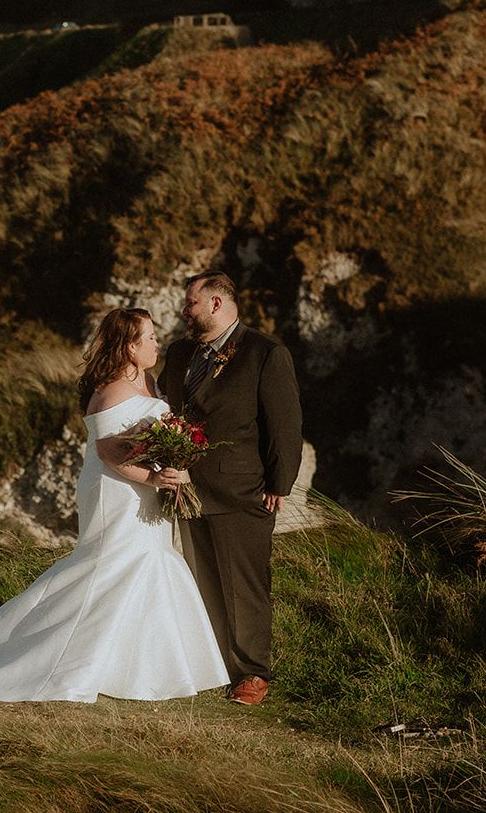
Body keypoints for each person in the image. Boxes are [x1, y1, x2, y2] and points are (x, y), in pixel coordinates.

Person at [0, 307, 229, 702]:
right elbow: (108, 452)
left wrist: (172, 466)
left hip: (145, 489)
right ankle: (45, 656)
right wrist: (155, 477)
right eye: (151, 337)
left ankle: (140, 666)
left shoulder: (148, 380)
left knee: (145, 563)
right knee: (107, 567)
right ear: (130, 347)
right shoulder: (110, 391)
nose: (158, 343)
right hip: (115, 490)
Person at [160, 271, 303, 707]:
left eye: (190, 303)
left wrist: (281, 482)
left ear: (216, 304)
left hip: (245, 491)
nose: (184, 311)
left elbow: (284, 424)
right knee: (204, 581)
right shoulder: (180, 351)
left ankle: (252, 674)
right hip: (185, 489)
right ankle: (215, 664)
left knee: (244, 586)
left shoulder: (265, 353)